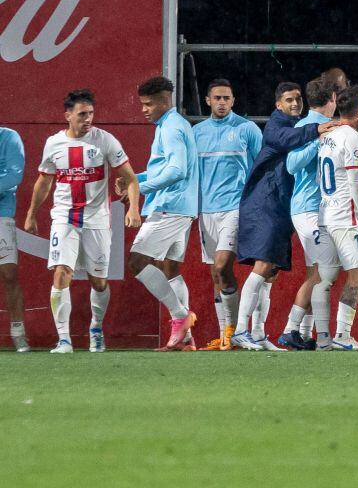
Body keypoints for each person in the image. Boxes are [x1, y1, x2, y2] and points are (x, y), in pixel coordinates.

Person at [23, 90, 141, 354]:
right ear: (67, 116)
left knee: (98, 281)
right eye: (82, 114)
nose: (88, 119)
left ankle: (96, 328)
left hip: (97, 219)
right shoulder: (53, 143)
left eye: (91, 114)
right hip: (64, 216)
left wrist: (133, 208)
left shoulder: (106, 141)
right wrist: (31, 213)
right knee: (61, 271)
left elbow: (130, 178)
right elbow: (44, 180)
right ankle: (64, 340)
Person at [230, 82, 338, 350]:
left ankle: (257, 333)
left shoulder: (296, 125)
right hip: (264, 201)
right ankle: (240, 329)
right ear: (278, 104)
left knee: (270, 274)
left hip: (280, 205)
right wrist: (316, 130)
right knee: (263, 266)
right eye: (288, 100)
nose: (294, 104)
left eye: (298, 99)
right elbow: (286, 143)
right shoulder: (277, 125)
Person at [124, 77, 199, 351]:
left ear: (164, 101)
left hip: (171, 206)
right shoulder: (172, 124)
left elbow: (177, 170)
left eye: (148, 104)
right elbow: (164, 168)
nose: (144, 109)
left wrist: (140, 186)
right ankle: (186, 339)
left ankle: (181, 317)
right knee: (170, 268)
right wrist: (134, 178)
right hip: (183, 207)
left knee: (137, 260)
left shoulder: (171, 128)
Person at [191, 79, 263, 350]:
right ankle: (226, 335)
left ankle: (232, 330)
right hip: (206, 211)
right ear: (208, 101)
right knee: (216, 274)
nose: (222, 102)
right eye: (217, 98)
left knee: (222, 265)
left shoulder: (247, 129)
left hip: (235, 208)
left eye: (227, 98)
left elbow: (262, 168)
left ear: (233, 101)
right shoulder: (196, 133)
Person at [279, 78, 340, 351]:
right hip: (308, 208)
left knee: (316, 272)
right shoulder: (306, 126)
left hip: (317, 209)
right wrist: (318, 139)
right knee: (322, 274)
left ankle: (303, 333)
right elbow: (291, 165)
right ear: (332, 99)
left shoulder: (323, 125)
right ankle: (290, 329)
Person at [318, 85, 358, 351]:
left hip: (326, 212)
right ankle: (342, 335)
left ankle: (318, 337)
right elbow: (355, 182)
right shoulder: (352, 138)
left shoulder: (328, 134)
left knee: (324, 277)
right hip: (345, 216)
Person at [0, 126, 28, 352]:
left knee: (9, 273)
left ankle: (18, 333)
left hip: (2, 213)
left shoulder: (8, 137)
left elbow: (13, 175)